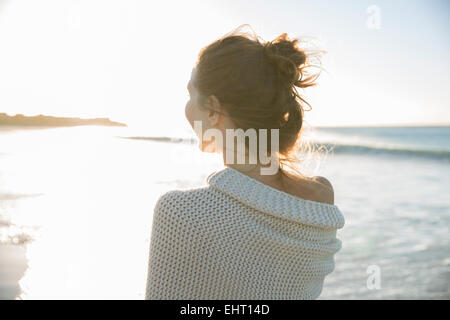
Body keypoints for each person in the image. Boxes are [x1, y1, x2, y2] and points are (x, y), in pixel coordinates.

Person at [145, 25, 345, 300]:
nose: (187, 108)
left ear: (213, 110)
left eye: (190, 95)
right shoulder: (321, 197)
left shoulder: (181, 212)